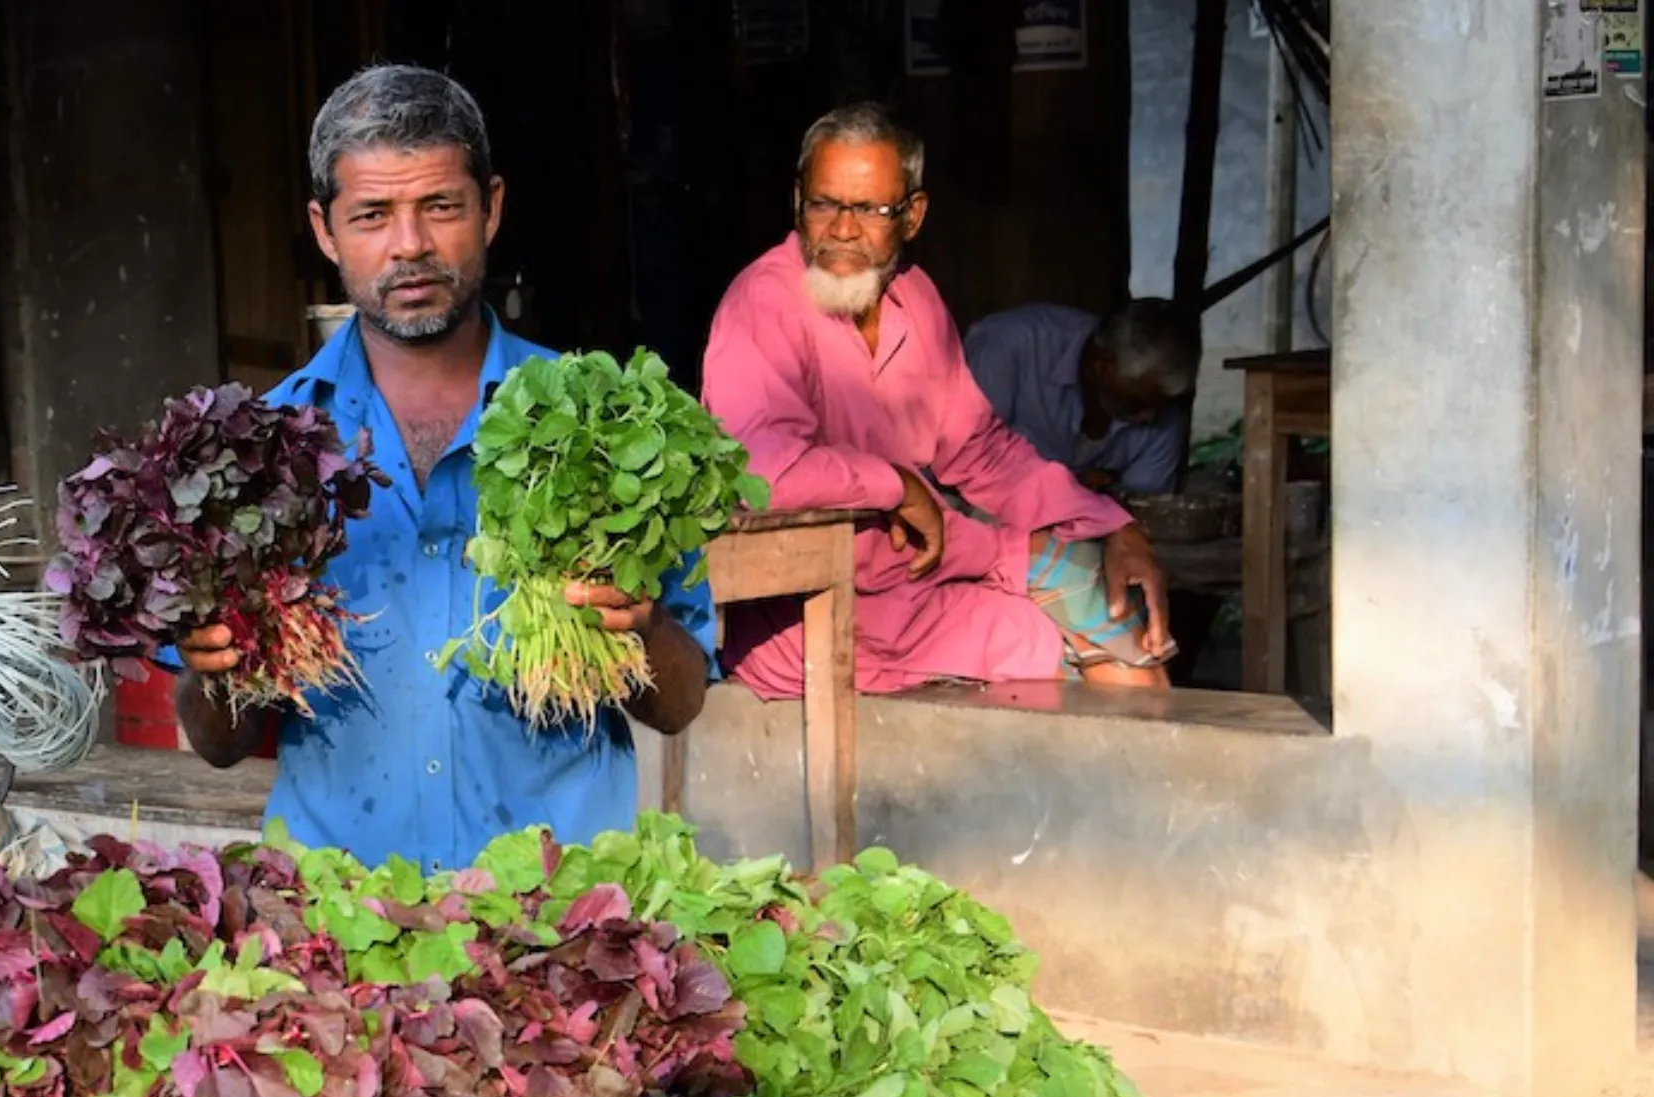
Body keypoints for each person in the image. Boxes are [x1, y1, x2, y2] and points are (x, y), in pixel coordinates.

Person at [168, 65, 717, 872]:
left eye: (440, 207)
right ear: (325, 230)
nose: (410, 245)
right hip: (341, 911)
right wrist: (215, 667)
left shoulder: (602, 428)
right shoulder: (260, 452)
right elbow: (220, 746)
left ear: (491, 207)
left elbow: (679, 705)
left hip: (564, 906)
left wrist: (638, 626)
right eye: (372, 215)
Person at [701, 102, 1173, 695]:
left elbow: (982, 453)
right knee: (1105, 670)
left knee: (1125, 637)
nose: (843, 230)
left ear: (912, 216)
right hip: (817, 626)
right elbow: (760, 474)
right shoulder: (762, 303)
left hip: (925, 586)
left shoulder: (915, 299)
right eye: (824, 204)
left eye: (871, 209)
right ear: (797, 200)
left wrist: (1114, 525)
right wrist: (896, 484)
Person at [964, 298, 1198, 496]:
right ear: (1105, 368)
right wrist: (1072, 493)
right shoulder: (1010, 345)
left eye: (1161, 405)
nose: (1150, 416)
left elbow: (1145, 508)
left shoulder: (1163, 413)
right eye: (1138, 403)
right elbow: (967, 460)